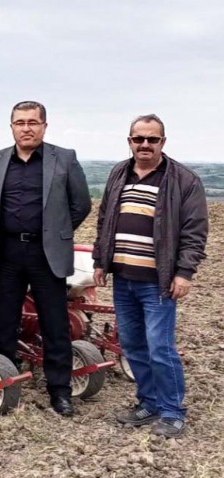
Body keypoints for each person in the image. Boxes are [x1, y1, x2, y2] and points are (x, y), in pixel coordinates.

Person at [93, 114, 207, 438]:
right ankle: (149, 403)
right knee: (132, 344)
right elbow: (105, 219)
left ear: (163, 142)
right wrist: (101, 261)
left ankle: (172, 411)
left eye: (152, 139)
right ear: (129, 141)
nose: (144, 144)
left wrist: (184, 273)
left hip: (157, 282)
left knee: (160, 347)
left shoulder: (183, 180)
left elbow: (194, 232)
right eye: (138, 138)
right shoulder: (119, 172)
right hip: (123, 278)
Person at [0, 100, 91, 417]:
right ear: (11, 126)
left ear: (44, 125)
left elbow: (80, 204)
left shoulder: (64, 159)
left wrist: (56, 232)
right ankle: (4, 384)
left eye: (33, 122)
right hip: (9, 253)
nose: (26, 128)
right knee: (4, 322)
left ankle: (60, 391)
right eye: (20, 122)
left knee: (54, 323)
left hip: (47, 254)